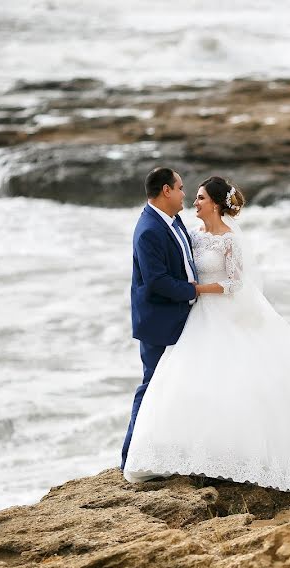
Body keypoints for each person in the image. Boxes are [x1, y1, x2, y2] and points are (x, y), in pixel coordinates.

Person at [123, 176, 290, 491]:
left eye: (201, 197)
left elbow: (234, 282)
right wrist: (191, 292)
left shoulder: (229, 240)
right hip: (195, 315)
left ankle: (236, 452)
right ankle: (188, 451)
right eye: (190, 194)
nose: (194, 200)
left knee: (234, 380)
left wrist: (197, 289)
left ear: (217, 204)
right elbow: (175, 267)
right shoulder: (189, 232)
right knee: (187, 380)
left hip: (219, 309)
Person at [121, 167, 199, 471]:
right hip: (158, 323)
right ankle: (131, 458)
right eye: (180, 187)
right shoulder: (149, 229)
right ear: (166, 190)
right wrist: (196, 291)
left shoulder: (174, 219)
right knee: (152, 386)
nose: (184, 193)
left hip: (181, 318)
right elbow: (157, 282)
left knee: (179, 387)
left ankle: (174, 451)